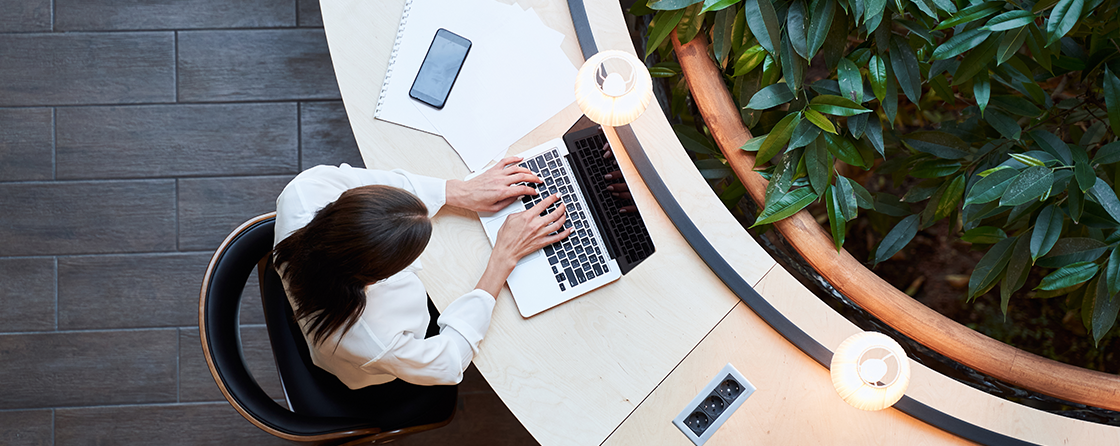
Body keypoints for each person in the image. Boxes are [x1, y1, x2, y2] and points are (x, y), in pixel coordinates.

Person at [272, 158, 569, 390]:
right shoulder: (375, 336)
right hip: (366, 374)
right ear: (376, 278)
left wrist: (458, 191)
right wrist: (502, 260)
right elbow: (450, 361)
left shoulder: (306, 190)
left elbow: (371, 181)